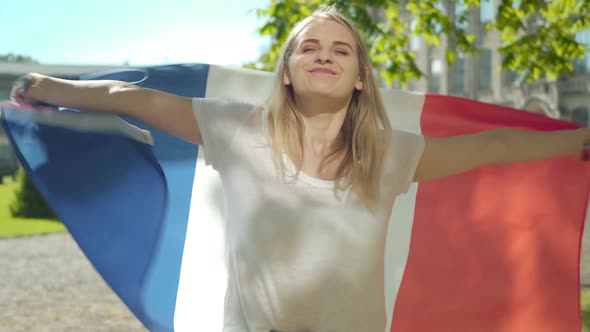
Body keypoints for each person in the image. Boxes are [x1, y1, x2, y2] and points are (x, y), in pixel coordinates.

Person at [9, 5, 590, 332]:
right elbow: (133, 97)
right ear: (285, 69)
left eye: (341, 50)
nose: (324, 56)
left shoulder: (391, 153)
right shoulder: (237, 127)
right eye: (309, 47)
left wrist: (576, 144)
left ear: (361, 77)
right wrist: (49, 85)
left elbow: (491, 148)